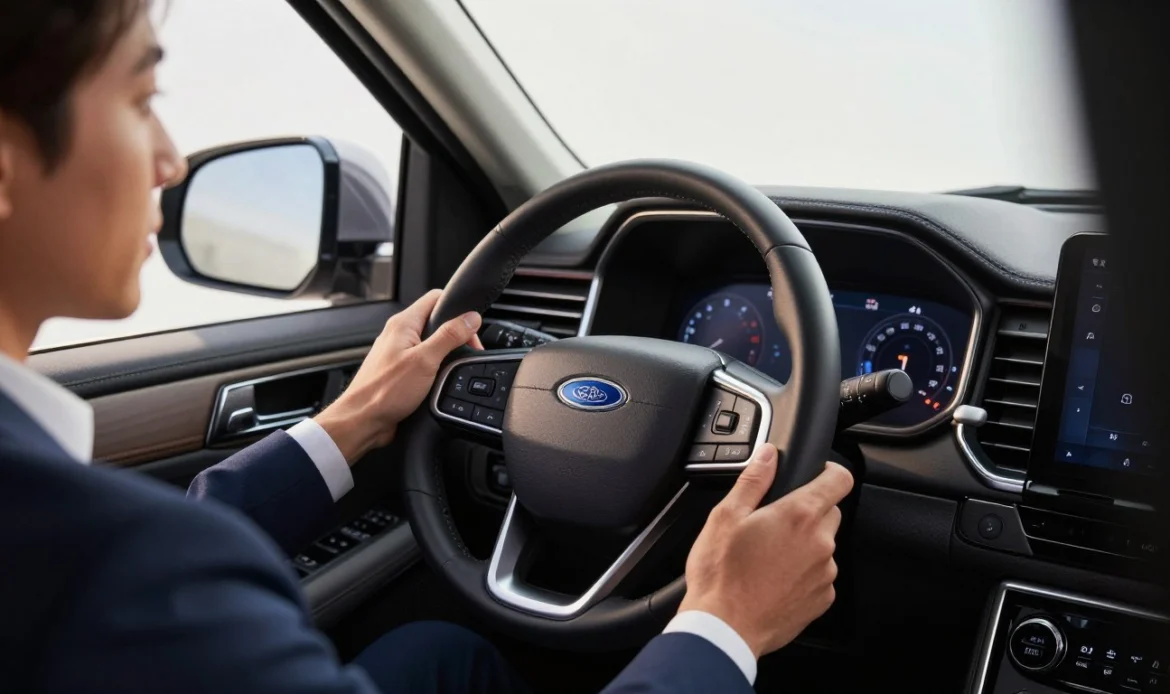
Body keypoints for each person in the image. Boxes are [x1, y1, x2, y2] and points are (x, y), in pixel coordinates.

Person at [0, 2, 854, 693]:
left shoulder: (87, 552)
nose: (171, 161)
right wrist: (721, 626)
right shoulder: (117, 573)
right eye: (142, 101)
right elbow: (147, 567)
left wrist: (356, 419)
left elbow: (162, 553)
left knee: (434, 656)